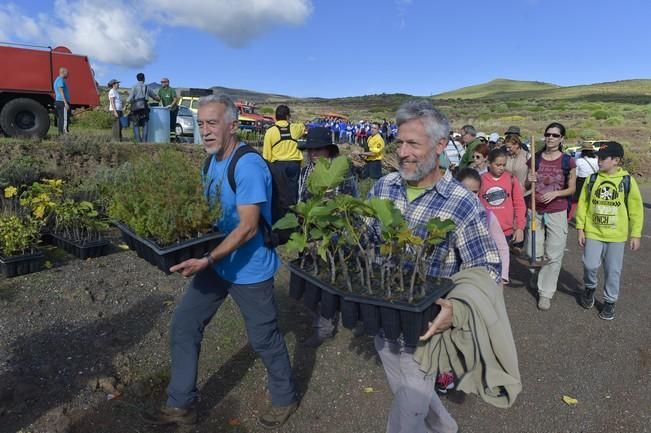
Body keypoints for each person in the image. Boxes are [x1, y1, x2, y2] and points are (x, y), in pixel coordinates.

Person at [143, 95, 297, 428]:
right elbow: (209, 215)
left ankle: (284, 397)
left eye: (212, 123)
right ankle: (180, 404)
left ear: (233, 125)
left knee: (263, 338)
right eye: (201, 124)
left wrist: (206, 258)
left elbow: (248, 227)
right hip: (215, 264)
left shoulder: (249, 165)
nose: (205, 131)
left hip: (250, 269)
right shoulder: (210, 162)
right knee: (185, 325)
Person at [369, 100, 501, 433]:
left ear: (440, 145)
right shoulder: (383, 188)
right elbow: (361, 239)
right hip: (383, 317)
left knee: (408, 412)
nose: (402, 152)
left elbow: (487, 268)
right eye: (399, 142)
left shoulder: (461, 202)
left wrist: (456, 309)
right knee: (406, 391)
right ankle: (445, 427)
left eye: (413, 143)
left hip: (428, 329)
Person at [297, 127, 358, 347]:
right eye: (309, 149)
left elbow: (352, 201)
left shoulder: (341, 171)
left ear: (328, 150)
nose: (312, 153)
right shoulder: (305, 172)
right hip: (310, 234)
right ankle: (324, 321)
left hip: (333, 236)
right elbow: (300, 202)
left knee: (329, 279)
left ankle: (325, 327)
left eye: (317, 149)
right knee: (313, 281)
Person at [575, 141, 643, 320]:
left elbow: (636, 210)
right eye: (598, 157)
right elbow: (583, 204)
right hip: (594, 232)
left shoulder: (627, 181)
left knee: (613, 270)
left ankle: (610, 302)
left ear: (616, 160)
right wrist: (580, 228)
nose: (599, 161)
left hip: (616, 235)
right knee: (589, 265)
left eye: (603, 158)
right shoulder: (592, 179)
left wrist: (635, 234)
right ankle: (590, 288)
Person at [524, 122, 576, 310]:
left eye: (555, 135)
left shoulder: (568, 161)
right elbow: (526, 186)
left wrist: (555, 193)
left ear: (562, 138)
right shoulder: (535, 159)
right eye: (548, 134)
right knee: (532, 252)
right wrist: (529, 181)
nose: (551, 138)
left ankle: (545, 293)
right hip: (535, 210)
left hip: (557, 211)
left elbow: (572, 188)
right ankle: (536, 272)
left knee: (554, 254)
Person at [457, 168, 510, 285]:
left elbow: (502, 247)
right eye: (465, 190)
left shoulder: (488, 216)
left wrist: (503, 276)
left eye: (475, 192)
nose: (471, 195)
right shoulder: (449, 214)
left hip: (481, 275)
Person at [480, 148, 526, 283]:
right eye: (497, 165)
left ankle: (499, 285)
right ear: (489, 163)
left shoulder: (511, 179)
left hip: (505, 230)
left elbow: (519, 204)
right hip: (485, 229)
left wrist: (520, 227)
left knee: (501, 259)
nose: (501, 168)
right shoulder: (481, 179)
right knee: (486, 261)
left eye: (504, 165)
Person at [262, 104, 304, 203]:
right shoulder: (295, 128)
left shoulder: (270, 132)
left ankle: (280, 213)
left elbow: (266, 154)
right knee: (293, 190)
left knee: (278, 192)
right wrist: (291, 121)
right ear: (287, 116)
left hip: (278, 166)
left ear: (275, 117)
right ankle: (293, 211)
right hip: (294, 164)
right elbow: (302, 127)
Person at [127, 72, 160, 143]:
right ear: (144, 78)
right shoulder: (148, 87)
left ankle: (138, 141)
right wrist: (158, 99)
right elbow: (155, 97)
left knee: (136, 123)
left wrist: (126, 106)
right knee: (145, 123)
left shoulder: (134, 87)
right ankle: (144, 141)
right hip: (144, 107)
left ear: (137, 79)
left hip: (135, 107)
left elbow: (129, 98)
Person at [53, 67, 70, 135]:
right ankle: (64, 135)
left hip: (59, 101)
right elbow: (61, 90)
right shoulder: (60, 79)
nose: (68, 74)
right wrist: (65, 103)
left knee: (61, 119)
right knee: (64, 119)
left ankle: (61, 134)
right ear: (63, 72)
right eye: (67, 73)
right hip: (62, 102)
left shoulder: (57, 79)